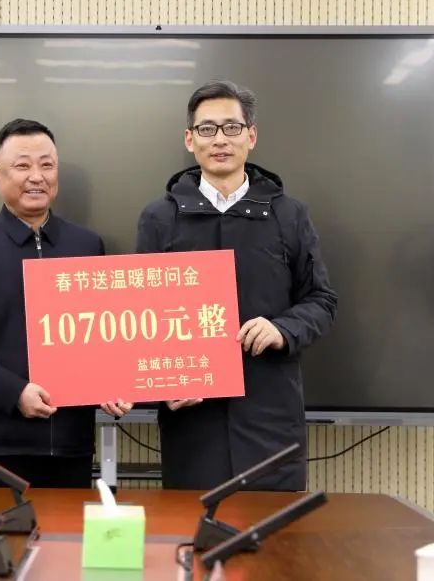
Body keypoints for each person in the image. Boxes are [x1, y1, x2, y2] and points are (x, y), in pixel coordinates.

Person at [136, 81, 338, 491]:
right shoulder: (160, 218)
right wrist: (164, 385)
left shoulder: (289, 215)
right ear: (190, 140)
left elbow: (321, 300)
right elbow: (141, 317)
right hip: (193, 424)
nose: (220, 140)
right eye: (207, 129)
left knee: (272, 529)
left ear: (251, 136)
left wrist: (282, 328)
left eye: (232, 127)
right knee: (194, 527)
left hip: (270, 418)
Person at [0, 118, 132, 488]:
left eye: (47, 165)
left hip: (72, 445)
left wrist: (112, 383)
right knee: (1, 530)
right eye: (23, 166)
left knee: (66, 530)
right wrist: (15, 393)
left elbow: (104, 336)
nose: (37, 177)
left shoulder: (87, 246)